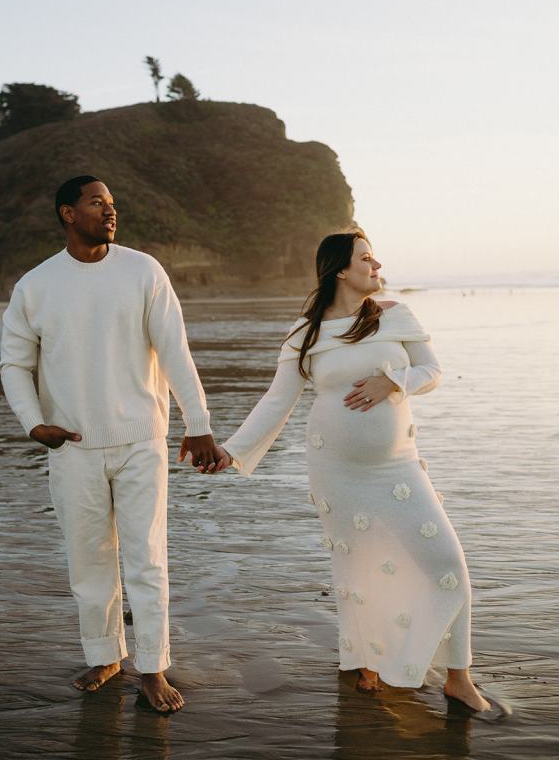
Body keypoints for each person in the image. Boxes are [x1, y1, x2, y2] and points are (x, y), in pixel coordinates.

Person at [209, 230, 490, 712]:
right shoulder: (307, 333)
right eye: (366, 258)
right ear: (341, 269)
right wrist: (231, 451)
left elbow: (433, 371)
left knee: (447, 565)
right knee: (357, 569)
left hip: (398, 465)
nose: (377, 264)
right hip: (335, 469)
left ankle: (458, 677)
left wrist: (392, 380)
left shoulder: (394, 314)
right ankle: (367, 661)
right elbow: (277, 401)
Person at [0, 175, 222, 712]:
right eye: (96, 202)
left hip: (141, 438)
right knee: (89, 561)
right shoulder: (37, 284)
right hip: (71, 445)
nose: (109, 211)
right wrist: (33, 422)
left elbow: (174, 350)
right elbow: (14, 362)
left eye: (112, 203)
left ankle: (153, 667)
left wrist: (199, 422)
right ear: (67, 213)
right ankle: (105, 655)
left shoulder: (143, 270)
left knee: (147, 558)